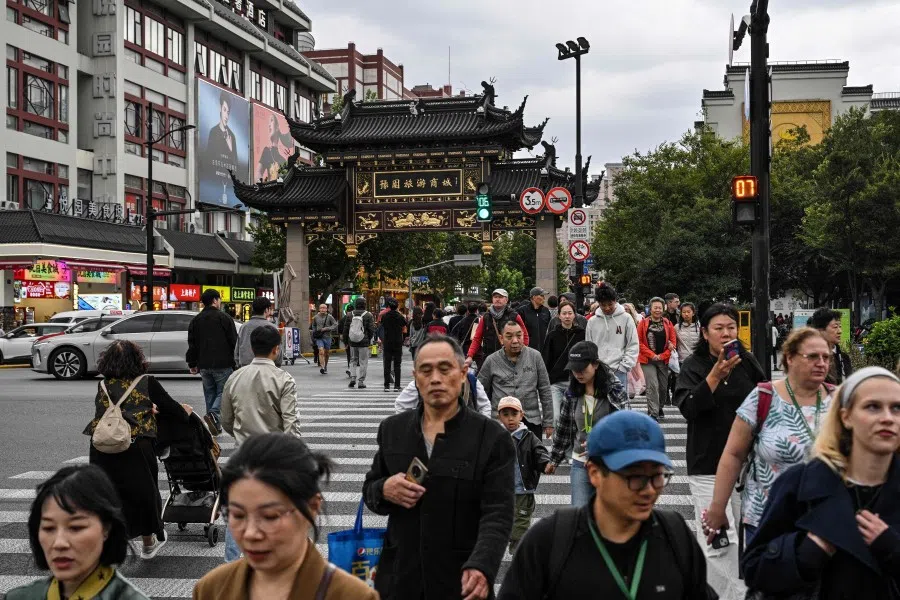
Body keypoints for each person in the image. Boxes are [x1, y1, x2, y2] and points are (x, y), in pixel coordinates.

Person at [363, 335, 515, 600]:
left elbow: (498, 513)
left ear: (463, 373)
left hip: (461, 583)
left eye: (445, 370)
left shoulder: (491, 437)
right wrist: (384, 489)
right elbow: (371, 490)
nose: (435, 378)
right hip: (401, 579)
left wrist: (482, 565)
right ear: (415, 376)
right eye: (426, 370)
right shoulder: (393, 430)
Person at [499, 411, 712, 599]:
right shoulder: (548, 541)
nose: (649, 490)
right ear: (594, 473)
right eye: (635, 477)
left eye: (657, 476)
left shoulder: (675, 535)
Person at [742, 367, 900, 598]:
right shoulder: (800, 483)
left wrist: (892, 548)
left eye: (896, 408)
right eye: (872, 407)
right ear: (846, 416)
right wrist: (805, 553)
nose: (887, 417)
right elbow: (755, 569)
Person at [194, 433, 377, 600]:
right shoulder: (210, 589)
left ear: (312, 507)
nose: (250, 533)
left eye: (270, 516)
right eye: (237, 515)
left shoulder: (353, 595)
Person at [704, 327, 836, 550]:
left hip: (824, 524)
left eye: (826, 357)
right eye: (813, 356)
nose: (822, 363)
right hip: (765, 519)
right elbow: (734, 454)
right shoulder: (764, 396)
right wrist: (718, 508)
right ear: (790, 358)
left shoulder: (840, 401)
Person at [674, 303, 765, 598]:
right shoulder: (694, 366)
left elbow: (765, 402)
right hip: (707, 466)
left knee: (748, 537)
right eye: (718, 328)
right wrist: (713, 377)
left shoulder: (747, 361)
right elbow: (688, 408)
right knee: (718, 544)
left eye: (730, 327)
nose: (726, 334)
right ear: (705, 332)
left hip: (746, 467)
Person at [84, 340, 192, 559]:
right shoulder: (147, 382)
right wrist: (186, 410)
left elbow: (114, 411)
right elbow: (173, 410)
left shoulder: (103, 384)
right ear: (137, 360)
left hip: (101, 447)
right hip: (135, 446)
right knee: (143, 495)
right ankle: (148, 543)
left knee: (108, 495)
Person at [6, 465, 150, 600]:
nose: (59, 543)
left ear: (106, 528)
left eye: (76, 527)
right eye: (49, 528)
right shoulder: (20, 597)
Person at [220, 326, 301, 563]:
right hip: (274, 458)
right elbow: (291, 424)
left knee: (239, 511)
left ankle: (233, 565)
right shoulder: (283, 379)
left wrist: (240, 435)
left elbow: (226, 419)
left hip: (243, 455)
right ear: (276, 349)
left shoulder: (235, 377)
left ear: (252, 348)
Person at [544, 341, 626, 505]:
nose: (578, 374)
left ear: (595, 364)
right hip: (580, 462)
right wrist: (554, 460)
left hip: (607, 463)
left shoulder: (613, 389)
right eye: (574, 369)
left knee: (606, 516)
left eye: (582, 369)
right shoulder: (572, 392)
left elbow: (625, 426)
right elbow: (564, 426)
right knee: (579, 514)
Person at [478, 319, 554, 440]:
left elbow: (545, 389)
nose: (515, 341)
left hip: (531, 420)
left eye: (519, 336)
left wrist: (549, 421)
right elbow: (479, 392)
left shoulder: (535, 356)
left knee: (532, 457)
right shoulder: (491, 360)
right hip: (500, 423)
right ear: (501, 338)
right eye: (509, 336)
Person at [498, 396, 550, 554]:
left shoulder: (528, 437)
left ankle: (518, 552)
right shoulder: (496, 436)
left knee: (520, 524)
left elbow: (539, 452)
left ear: (522, 415)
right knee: (501, 522)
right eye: (505, 414)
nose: (510, 419)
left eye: (514, 414)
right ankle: (504, 543)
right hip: (500, 491)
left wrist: (545, 464)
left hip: (522, 489)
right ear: (499, 416)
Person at [187, 288, 238, 435]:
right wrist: (235, 362)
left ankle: (214, 426)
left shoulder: (196, 320)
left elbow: (192, 343)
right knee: (223, 391)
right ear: (215, 300)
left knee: (210, 393)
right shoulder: (224, 318)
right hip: (223, 363)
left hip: (204, 364)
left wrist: (192, 363)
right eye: (219, 299)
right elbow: (233, 341)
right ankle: (214, 415)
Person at [542, 301, 585, 453]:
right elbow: (546, 359)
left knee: (575, 418)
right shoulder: (552, 335)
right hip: (556, 382)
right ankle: (560, 448)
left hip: (576, 382)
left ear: (574, 315)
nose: (567, 316)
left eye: (570, 313)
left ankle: (572, 450)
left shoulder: (582, 334)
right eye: (564, 313)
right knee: (556, 417)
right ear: (559, 315)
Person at [584, 282, 639, 391]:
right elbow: (588, 346)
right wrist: (593, 365)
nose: (607, 308)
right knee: (599, 404)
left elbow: (633, 344)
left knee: (619, 405)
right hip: (598, 370)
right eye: (603, 305)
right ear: (598, 303)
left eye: (610, 304)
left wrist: (624, 366)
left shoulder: (626, 318)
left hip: (619, 370)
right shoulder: (592, 321)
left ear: (615, 301)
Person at [465, 289, 529, 370]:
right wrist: (470, 356)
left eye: (500, 297)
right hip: (488, 358)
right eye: (495, 297)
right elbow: (477, 338)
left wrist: (523, 353)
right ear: (492, 299)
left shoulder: (514, 316)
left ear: (506, 300)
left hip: (508, 359)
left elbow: (525, 335)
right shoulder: (486, 317)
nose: (497, 299)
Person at [638, 297, 677, 421]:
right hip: (647, 360)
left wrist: (662, 355)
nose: (658, 310)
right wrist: (652, 355)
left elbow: (673, 342)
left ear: (663, 308)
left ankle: (659, 407)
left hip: (663, 360)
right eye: (655, 307)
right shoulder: (643, 323)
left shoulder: (668, 323)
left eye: (660, 308)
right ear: (651, 309)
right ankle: (653, 413)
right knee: (652, 385)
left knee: (663, 387)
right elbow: (638, 343)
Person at [808, 306, 853, 384]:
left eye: (840, 327)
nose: (840, 331)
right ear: (820, 330)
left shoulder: (844, 358)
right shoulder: (809, 358)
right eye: (835, 327)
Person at [235, 297, 281, 369]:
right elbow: (278, 353)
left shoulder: (244, 327)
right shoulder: (273, 328)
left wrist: (239, 366)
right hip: (267, 369)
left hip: (246, 368)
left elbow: (237, 351)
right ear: (266, 310)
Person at [342, 297, 375, 389]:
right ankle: (361, 381)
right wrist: (369, 339)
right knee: (363, 361)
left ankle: (353, 378)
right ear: (364, 304)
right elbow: (371, 329)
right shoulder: (368, 315)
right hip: (363, 341)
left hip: (352, 341)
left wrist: (346, 341)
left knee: (353, 360)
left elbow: (345, 329)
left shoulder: (349, 315)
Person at [206, 90, 238, 179]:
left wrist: (231, 150)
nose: (226, 116)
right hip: (213, 181)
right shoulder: (213, 132)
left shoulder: (232, 136)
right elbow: (207, 162)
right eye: (224, 110)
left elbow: (237, 168)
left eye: (228, 112)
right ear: (220, 108)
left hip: (230, 185)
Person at [256, 113, 292, 182]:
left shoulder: (283, 160)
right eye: (268, 122)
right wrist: (261, 184)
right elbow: (258, 172)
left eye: (271, 121)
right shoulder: (267, 151)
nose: (269, 125)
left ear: (277, 127)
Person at [381, 297, 406, 392]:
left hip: (387, 342)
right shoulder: (400, 316)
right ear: (397, 306)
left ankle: (386, 386)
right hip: (398, 342)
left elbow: (382, 324)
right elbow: (404, 324)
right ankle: (397, 386)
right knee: (397, 364)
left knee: (387, 364)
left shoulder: (385, 316)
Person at [518, 287, 551, 351]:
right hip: (527, 350)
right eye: (541, 295)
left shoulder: (546, 311)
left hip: (543, 350)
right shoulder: (522, 311)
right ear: (533, 297)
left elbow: (549, 329)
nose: (544, 298)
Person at [310, 303, 337, 375]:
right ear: (319, 309)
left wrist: (327, 328)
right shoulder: (315, 317)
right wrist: (315, 331)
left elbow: (335, 324)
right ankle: (322, 367)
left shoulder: (330, 317)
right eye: (321, 308)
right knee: (321, 351)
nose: (322, 309)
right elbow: (313, 325)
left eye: (324, 308)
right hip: (319, 337)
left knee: (327, 353)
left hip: (328, 337)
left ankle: (325, 366)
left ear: (326, 309)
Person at [337, 304, 354, 377]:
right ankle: (351, 369)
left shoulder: (343, 319)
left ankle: (350, 368)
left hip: (349, 338)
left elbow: (340, 329)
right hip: (352, 338)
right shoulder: (355, 318)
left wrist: (342, 337)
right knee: (351, 354)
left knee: (349, 354)